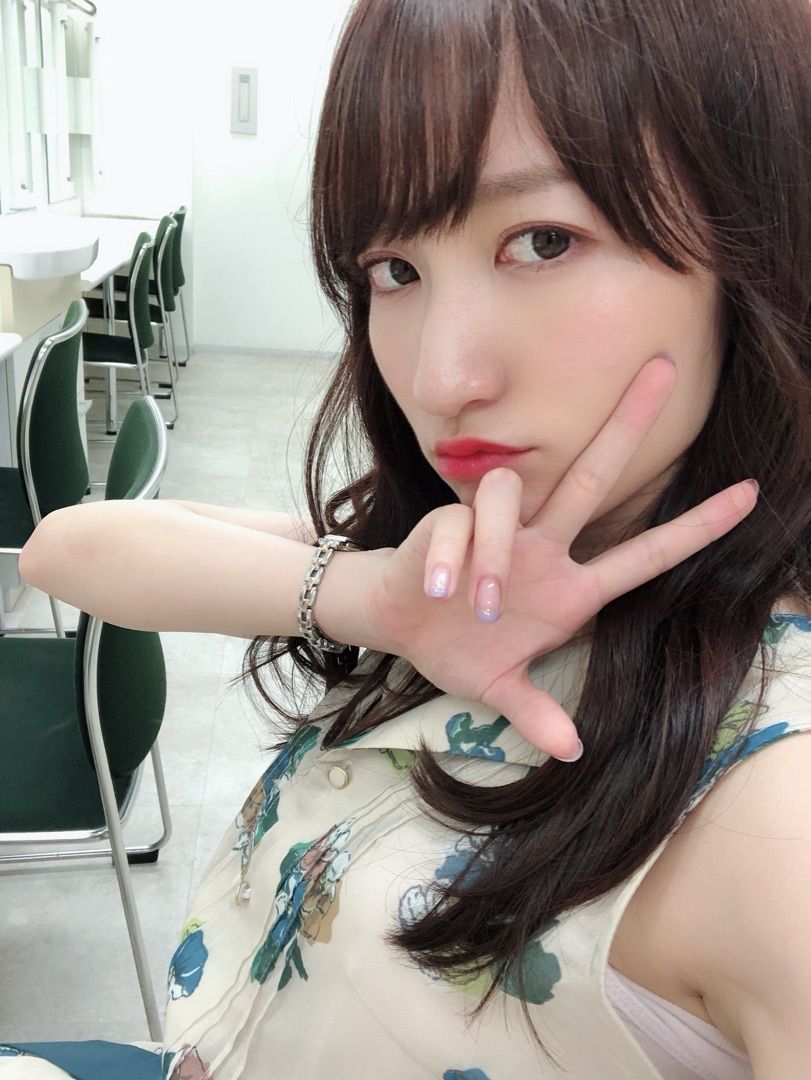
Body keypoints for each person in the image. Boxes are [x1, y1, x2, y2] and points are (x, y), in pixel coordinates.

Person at [3, 0, 810, 1076]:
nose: (438, 376)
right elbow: (70, 548)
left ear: (758, 240)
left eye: (542, 241)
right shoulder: (456, 567)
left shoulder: (775, 809)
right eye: (393, 268)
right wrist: (377, 601)